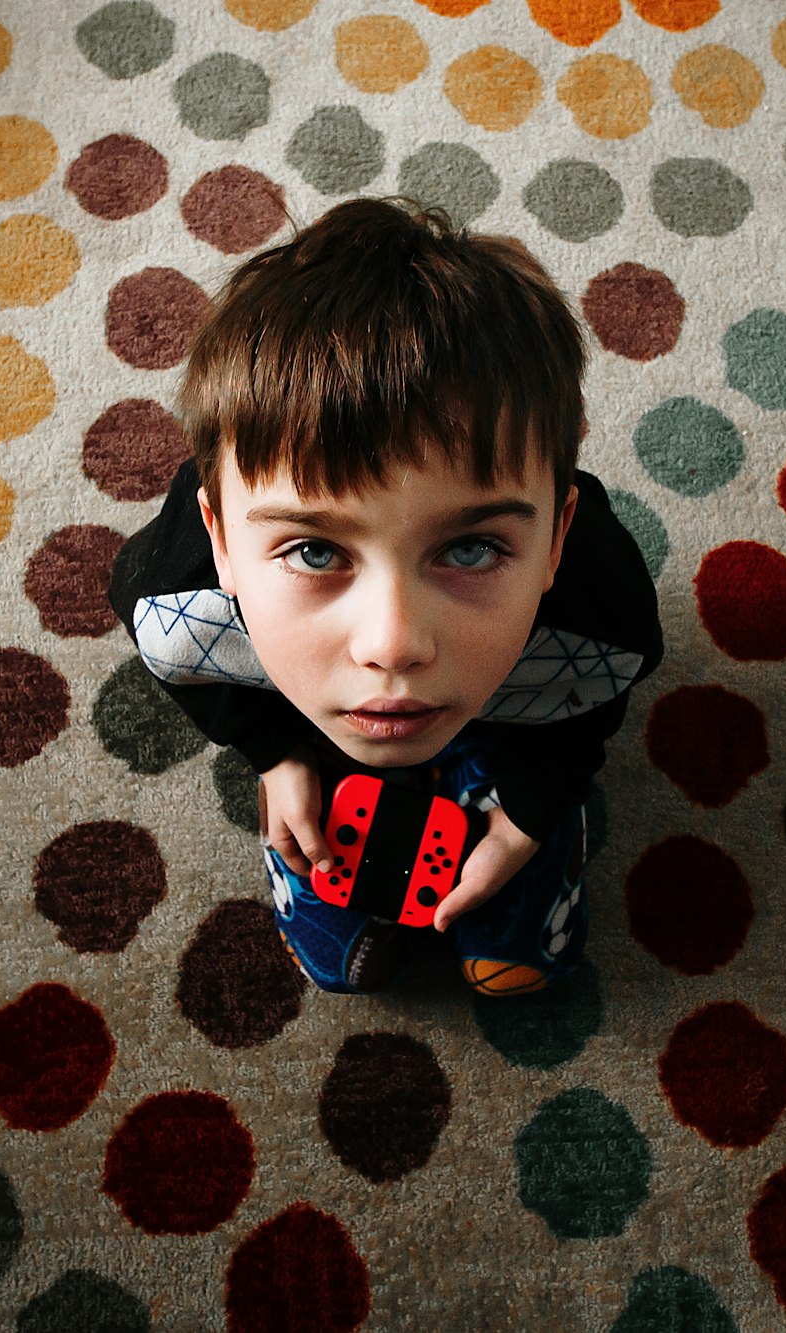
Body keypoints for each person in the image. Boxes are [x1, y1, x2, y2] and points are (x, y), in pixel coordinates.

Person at [108, 197, 662, 997]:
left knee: (545, 738)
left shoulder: (599, 623)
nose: (393, 643)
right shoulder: (179, 611)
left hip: (529, 683)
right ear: (223, 540)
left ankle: (489, 776)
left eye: (471, 547)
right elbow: (206, 685)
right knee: (337, 934)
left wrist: (530, 817)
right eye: (315, 549)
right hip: (298, 690)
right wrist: (278, 754)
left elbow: (585, 713)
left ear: (557, 537)